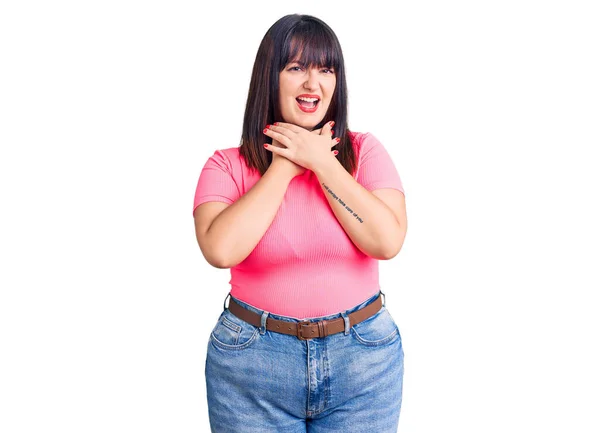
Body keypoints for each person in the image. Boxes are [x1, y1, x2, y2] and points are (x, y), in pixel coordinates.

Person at [192, 13, 407, 433]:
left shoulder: (365, 153)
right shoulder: (225, 166)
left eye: (325, 69)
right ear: (269, 79)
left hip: (363, 361)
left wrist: (322, 163)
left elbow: (387, 241)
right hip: (251, 365)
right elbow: (220, 250)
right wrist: (284, 168)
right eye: (296, 68)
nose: (314, 84)